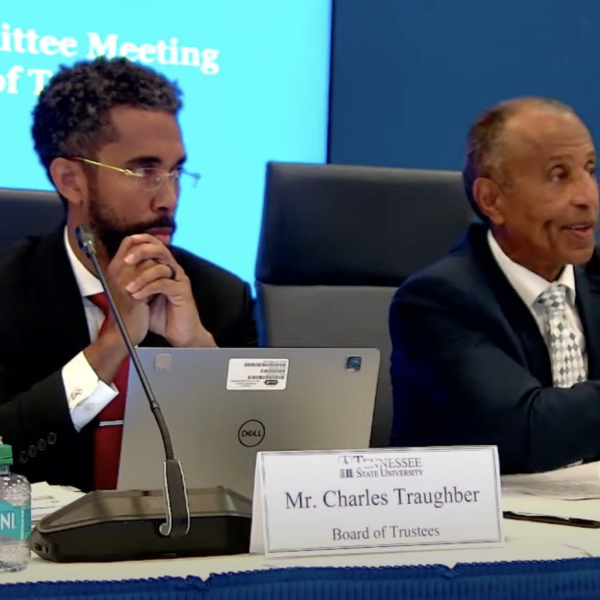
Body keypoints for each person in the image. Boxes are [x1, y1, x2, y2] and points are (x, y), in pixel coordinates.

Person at [0, 57, 258, 492]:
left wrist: (198, 350)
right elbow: (6, 448)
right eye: (145, 171)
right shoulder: (8, 290)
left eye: (176, 171)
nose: (169, 199)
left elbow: (259, 456)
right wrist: (112, 346)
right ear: (71, 180)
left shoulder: (219, 296)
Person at [389, 97, 600, 474]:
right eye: (559, 175)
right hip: (484, 523)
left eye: (590, 169)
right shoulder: (436, 301)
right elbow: (525, 433)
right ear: (493, 200)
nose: (588, 197)